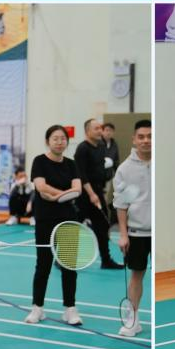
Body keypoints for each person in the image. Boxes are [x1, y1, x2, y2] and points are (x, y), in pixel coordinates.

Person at [25, 125, 83, 326]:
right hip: (45, 220)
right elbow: (40, 187)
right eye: (55, 138)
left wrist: (55, 196)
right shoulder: (39, 161)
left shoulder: (72, 164)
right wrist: (65, 195)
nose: (59, 142)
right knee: (43, 264)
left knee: (69, 265)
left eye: (63, 138)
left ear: (67, 142)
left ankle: (70, 309)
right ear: (47, 141)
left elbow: (78, 189)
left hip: (68, 219)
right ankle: (37, 308)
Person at [114, 120, 151, 337]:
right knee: (137, 275)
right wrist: (123, 234)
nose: (146, 140)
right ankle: (133, 319)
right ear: (134, 139)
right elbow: (121, 204)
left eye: (150, 136)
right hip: (137, 232)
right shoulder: (125, 169)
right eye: (142, 137)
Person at [74, 119, 123, 270]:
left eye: (100, 128)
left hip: (97, 191)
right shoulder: (82, 149)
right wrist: (91, 194)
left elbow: (101, 170)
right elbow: (81, 174)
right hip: (83, 194)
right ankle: (64, 258)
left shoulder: (101, 146)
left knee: (102, 226)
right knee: (73, 226)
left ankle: (106, 260)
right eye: (96, 128)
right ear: (87, 131)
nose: (99, 131)